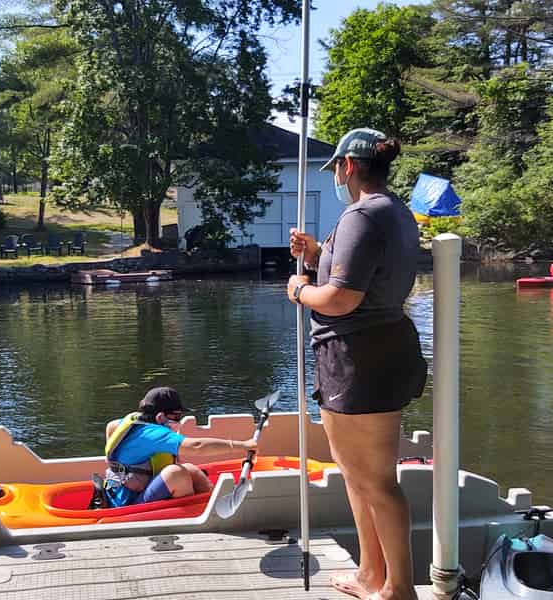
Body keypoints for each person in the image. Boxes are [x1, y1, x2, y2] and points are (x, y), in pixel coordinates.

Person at [287, 128, 427, 600]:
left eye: (337, 170)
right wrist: (317, 255)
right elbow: (369, 276)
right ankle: (371, 575)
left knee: (375, 481)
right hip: (380, 352)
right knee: (359, 476)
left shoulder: (361, 214)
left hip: (357, 361)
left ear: (348, 166)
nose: (337, 178)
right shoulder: (396, 212)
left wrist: (300, 290)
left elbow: (341, 299)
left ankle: (398, 589)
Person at [101, 386, 257, 508]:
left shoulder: (133, 422)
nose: (179, 421)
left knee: (191, 469)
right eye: (176, 416)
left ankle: (212, 506)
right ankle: (190, 513)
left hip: (134, 491)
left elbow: (111, 426)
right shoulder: (152, 434)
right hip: (128, 505)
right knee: (176, 474)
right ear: (160, 417)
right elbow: (196, 446)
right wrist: (243, 446)